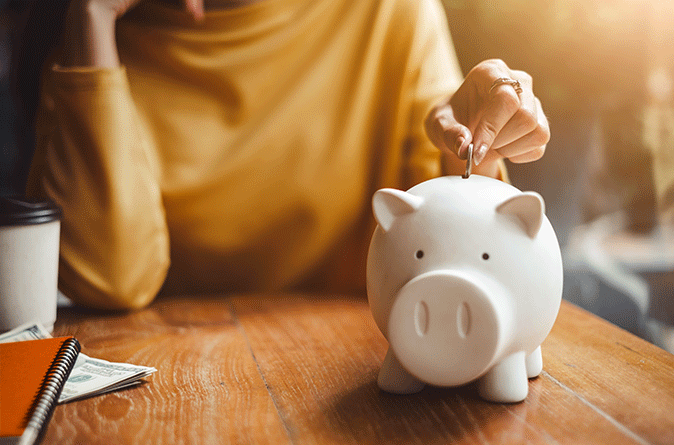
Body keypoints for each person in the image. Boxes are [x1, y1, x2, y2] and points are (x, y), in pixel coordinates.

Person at [24, 0, 550, 310]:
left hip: (364, 365)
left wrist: (478, 145)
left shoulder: (387, 13)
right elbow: (108, 280)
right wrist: (90, 16)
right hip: (179, 385)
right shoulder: (97, 52)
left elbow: (454, 245)